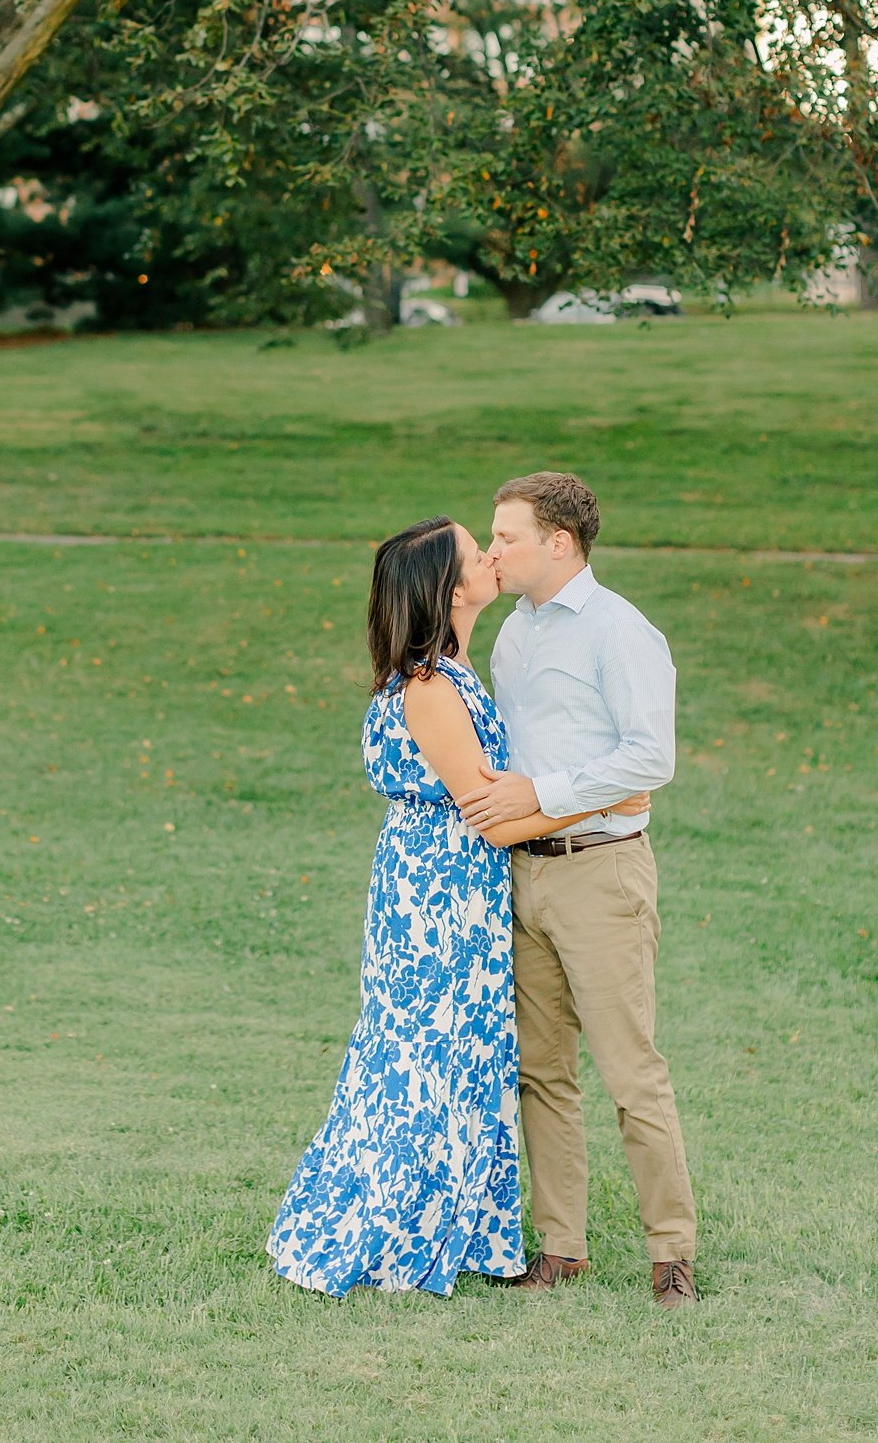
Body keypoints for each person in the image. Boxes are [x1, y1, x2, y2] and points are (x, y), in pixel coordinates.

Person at [268, 515, 649, 1297]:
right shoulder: (431, 687)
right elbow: (492, 811)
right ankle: (380, 1228)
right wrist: (607, 797)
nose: (493, 557)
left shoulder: (458, 666)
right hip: (435, 897)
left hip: (463, 886)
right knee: (419, 1061)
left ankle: (460, 1223)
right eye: (479, 553)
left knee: (461, 1058)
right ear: (449, 589)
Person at [457, 471, 699, 1307]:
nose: (493, 550)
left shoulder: (619, 631)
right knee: (540, 1071)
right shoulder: (514, 634)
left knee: (631, 1073)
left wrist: (546, 795)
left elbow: (649, 758)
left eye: (507, 537)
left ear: (559, 543)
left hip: (602, 874)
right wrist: (532, 800)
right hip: (522, 876)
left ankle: (672, 1252)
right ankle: (562, 1245)